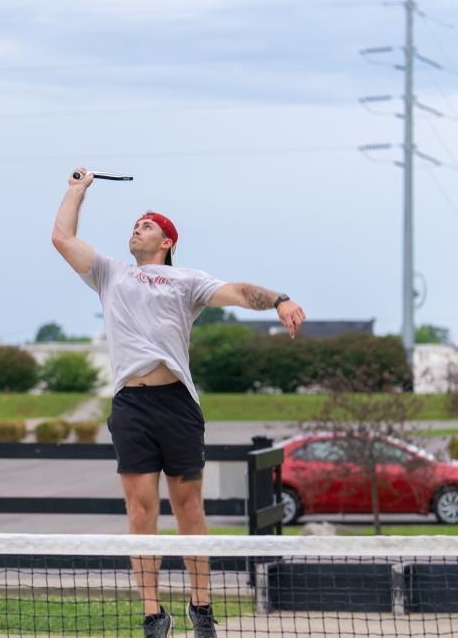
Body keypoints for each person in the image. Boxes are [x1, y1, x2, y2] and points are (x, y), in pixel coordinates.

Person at [51, 168, 306, 638]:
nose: (137, 228)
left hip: (178, 405)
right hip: (131, 406)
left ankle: (201, 606)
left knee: (189, 508)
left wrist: (279, 299)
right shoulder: (110, 274)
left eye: (147, 225)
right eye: (135, 223)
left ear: (167, 240)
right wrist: (76, 190)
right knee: (141, 510)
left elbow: (238, 292)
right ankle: (153, 614)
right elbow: (62, 238)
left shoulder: (186, 280)